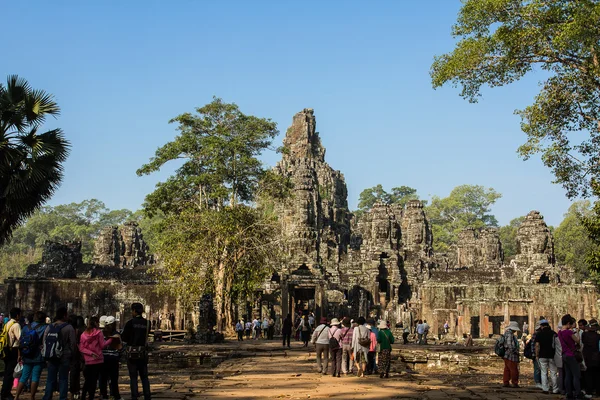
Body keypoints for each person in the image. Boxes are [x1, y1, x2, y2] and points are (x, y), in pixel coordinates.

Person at [42, 307, 76, 400]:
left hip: (52, 356)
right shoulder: (69, 327)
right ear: (64, 315)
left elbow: (44, 341)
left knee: (50, 379)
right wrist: (73, 355)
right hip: (64, 356)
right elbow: (73, 343)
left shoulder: (49, 327)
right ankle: (62, 397)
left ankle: (47, 397)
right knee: (63, 379)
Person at [15, 311, 47, 400]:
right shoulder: (45, 328)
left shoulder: (26, 327)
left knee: (24, 376)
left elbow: (21, 342)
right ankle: (32, 396)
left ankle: (16, 396)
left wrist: (19, 354)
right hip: (38, 355)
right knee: (35, 377)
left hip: (27, 354)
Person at [121, 303, 151, 400]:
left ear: (134, 311)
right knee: (144, 376)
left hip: (132, 353)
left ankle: (134, 396)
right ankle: (147, 395)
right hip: (142, 352)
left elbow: (124, 338)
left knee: (133, 377)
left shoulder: (130, 323)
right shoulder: (147, 323)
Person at [558, 314, 583, 400]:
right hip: (571, 355)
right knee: (576, 375)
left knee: (568, 375)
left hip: (564, 355)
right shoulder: (569, 332)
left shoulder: (560, 332)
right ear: (568, 323)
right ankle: (578, 393)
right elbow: (577, 341)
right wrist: (578, 334)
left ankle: (569, 393)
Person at [99, 316, 122, 400]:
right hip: (113, 359)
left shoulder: (101, 333)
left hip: (103, 359)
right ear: (114, 324)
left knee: (103, 378)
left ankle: (103, 394)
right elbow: (120, 347)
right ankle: (114, 395)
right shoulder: (116, 334)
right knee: (113, 379)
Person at [1, 307, 21, 400]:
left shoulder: (7, 323)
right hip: (13, 350)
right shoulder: (16, 325)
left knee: (7, 372)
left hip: (5, 349)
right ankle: (6, 393)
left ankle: (4, 392)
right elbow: (20, 339)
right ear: (17, 315)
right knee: (10, 373)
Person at [535, 319, 559, 395]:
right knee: (553, 372)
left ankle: (545, 388)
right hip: (552, 355)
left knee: (544, 372)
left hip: (542, 355)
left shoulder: (539, 334)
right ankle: (555, 389)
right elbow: (557, 345)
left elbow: (537, 345)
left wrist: (537, 354)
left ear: (541, 326)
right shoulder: (554, 333)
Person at [582, 319, 600, 397]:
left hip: (587, 358)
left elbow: (583, 343)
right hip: (597, 358)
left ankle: (589, 391)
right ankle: (598, 391)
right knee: (597, 375)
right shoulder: (598, 336)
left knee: (588, 375)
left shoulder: (584, 335)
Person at [69, 315, 85, 400]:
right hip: (80, 355)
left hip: (75, 355)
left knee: (74, 374)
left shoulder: (73, 330)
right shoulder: (82, 331)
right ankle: (76, 391)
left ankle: (74, 391)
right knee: (77, 374)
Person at [502, 321, 521, 388]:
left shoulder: (506, 333)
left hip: (506, 354)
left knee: (507, 369)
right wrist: (514, 351)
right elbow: (509, 344)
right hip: (511, 355)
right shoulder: (509, 334)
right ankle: (514, 382)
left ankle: (506, 382)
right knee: (514, 369)